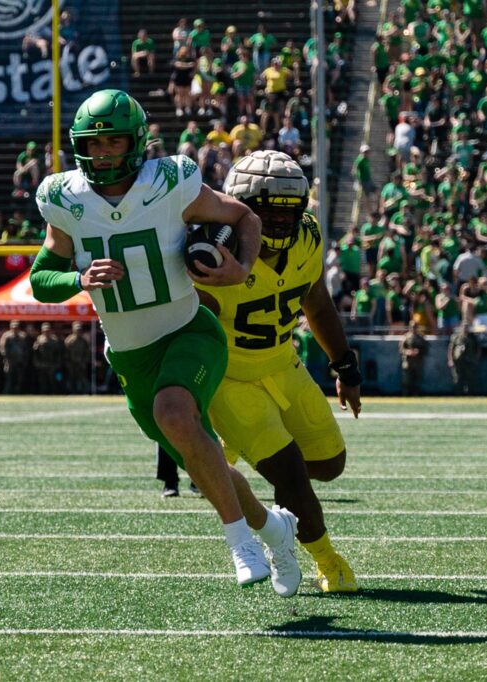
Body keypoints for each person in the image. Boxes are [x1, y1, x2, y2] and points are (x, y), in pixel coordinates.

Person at [30, 90, 299, 594]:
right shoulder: (63, 198)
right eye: (95, 142)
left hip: (188, 331)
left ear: (135, 141)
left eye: (114, 141)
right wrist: (79, 279)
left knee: (176, 415)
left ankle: (239, 542)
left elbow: (243, 216)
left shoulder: (170, 181)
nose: (105, 152)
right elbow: (41, 278)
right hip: (131, 357)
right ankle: (274, 528)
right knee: (204, 458)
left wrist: (240, 268)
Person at [196, 150, 363, 593]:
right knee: (290, 476)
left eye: (290, 209)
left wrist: (344, 365)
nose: (283, 221)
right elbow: (192, 329)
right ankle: (327, 562)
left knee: (329, 463)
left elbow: (317, 301)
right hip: (229, 377)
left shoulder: (307, 236)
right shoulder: (213, 250)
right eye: (269, 210)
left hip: (282, 361)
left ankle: (247, 452)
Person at [447, 322, 479, 395]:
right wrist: (450, 360)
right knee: (457, 378)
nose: (465, 329)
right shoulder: (456, 337)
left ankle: (469, 393)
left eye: (466, 327)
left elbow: (478, 349)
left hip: (469, 360)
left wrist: (476, 358)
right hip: (458, 360)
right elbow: (451, 349)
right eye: (464, 327)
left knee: (470, 377)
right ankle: (458, 393)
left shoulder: (472, 337)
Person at [32, 322, 64, 394]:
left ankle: (54, 394)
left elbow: (58, 354)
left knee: (54, 381)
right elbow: (35, 353)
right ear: (42, 331)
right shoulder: (38, 340)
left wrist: (57, 364)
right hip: (42, 364)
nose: (46, 332)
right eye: (44, 331)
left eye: (48, 330)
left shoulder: (55, 340)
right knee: (42, 381)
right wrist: (37, 364)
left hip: (52, 365)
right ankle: (43, 394)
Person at [0, 320, 28, 394]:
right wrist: (6, 360)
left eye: (16, 327)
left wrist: (24, 360)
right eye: (13, 327)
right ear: (10, 327)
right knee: (9, 379)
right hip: (9, 361)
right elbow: (2, 349)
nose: (15, 329)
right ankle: (7, 394)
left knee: (19, 379)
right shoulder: (6, 336)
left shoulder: (23, 336)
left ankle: (18, 394)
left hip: (20, 361)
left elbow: (25, 349)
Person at [399, 320, 428, 396]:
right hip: (408, 362)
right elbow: (401, 349)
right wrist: (408, 352)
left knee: (417, 380)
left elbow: (425, 349)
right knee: (406, 380)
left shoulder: (421, 337)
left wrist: (418, 351)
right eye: (412, 327)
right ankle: (405, 395)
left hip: (418, 362)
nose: (413, 328)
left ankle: (416, 394)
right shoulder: (405, 337)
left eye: (415, 327)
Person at [63, 322, 91, 394]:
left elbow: (87, 352)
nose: (78, 331)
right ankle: (72, 392)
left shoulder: (84, 341)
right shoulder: (69, 340)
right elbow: (65, 353)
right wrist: (67, 363)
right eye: (77, 330)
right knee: (72, 378)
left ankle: (83, 392)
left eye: (79, 330)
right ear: (73, 330)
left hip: (81, 363)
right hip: (71, 363)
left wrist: (84, 362)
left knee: (82, 378)